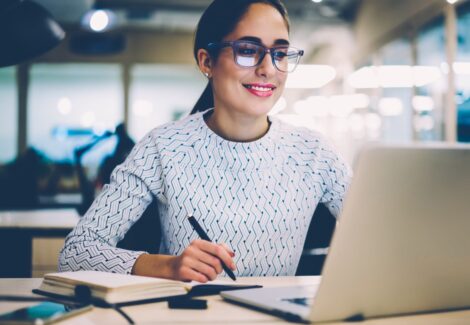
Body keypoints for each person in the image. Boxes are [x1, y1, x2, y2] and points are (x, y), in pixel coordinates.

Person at [59, 0, 352, 283]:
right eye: (248, 50)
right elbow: (76, 252)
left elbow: (385, 235)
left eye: (280, 53)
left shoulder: (314, 153)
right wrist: (165, 266)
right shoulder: (164, 147)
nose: (268, 68)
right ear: (206, 61)